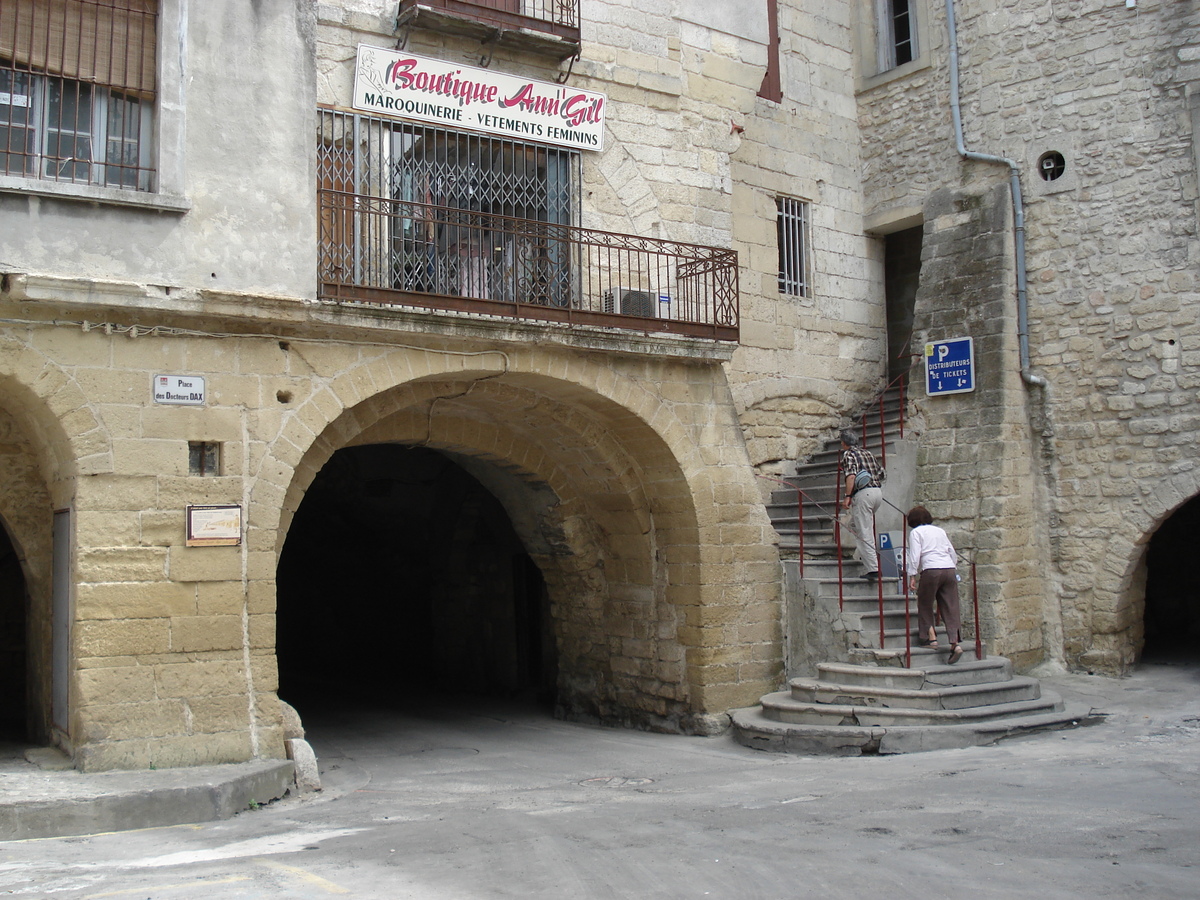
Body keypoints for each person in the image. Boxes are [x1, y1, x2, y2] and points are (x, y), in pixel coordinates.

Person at [905, 505, 964, 664]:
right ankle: (955, 643)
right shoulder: (940, 531)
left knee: (924, 603)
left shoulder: (916, 533)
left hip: (931, 569)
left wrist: (912, 575)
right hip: (949, 568)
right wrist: (952, 566)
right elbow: (951, 551)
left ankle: (931, 638)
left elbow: (914, 555)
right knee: (950, 606)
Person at [839, 430, 885, 582]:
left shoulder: (848, 455)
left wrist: (847, 496)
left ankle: (873, 569)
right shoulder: (868, 453)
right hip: (877, 492)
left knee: (864, 531)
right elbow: (882, 473)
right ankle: (863, 555)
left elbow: (851, 475)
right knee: (855, 525)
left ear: (844, 443)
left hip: (863, 494)